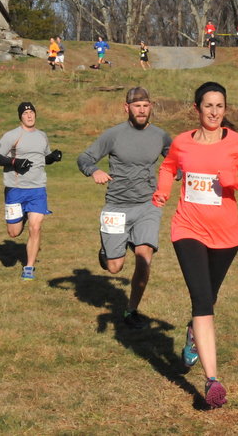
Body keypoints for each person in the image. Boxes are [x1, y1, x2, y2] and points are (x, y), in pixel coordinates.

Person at [152, 81, 238, 409]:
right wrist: (163, 190)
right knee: (203, 301)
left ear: (225, 109)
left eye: (219, 106)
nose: (214, 112)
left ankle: (192, 333)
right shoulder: (182, 142)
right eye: (208, 106)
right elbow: (168, 167)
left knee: (209, 296)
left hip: (226, 236)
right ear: (196, 109)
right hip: (187, 228)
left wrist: (237, 184)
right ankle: (212, 380)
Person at [77, 87, 172, 329]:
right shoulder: (113, 135)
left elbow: (174, 160)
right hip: (117, 207)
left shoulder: (160, 136)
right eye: (137, 105)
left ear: (151, 107)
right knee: (114, 267)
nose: (142, 109)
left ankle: (131, 310)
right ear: (126, 107)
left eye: (146, 105)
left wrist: (178, 173)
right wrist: (95, 170)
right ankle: (108, 251)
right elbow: (84, 158)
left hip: (147, 206)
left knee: (144, 257)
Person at [0, 102, 63, 280]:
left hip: (38, 188)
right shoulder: (13, 135)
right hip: (16, 189)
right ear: (20, 117)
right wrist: (14, 162)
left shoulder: (42, 136)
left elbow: (42, 159)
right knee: (14, 233)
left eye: (32, 112)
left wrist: (52, 157)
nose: (29, 116)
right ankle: (23, 215)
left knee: (36, 227)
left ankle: (29, 267)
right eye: (26, 113)